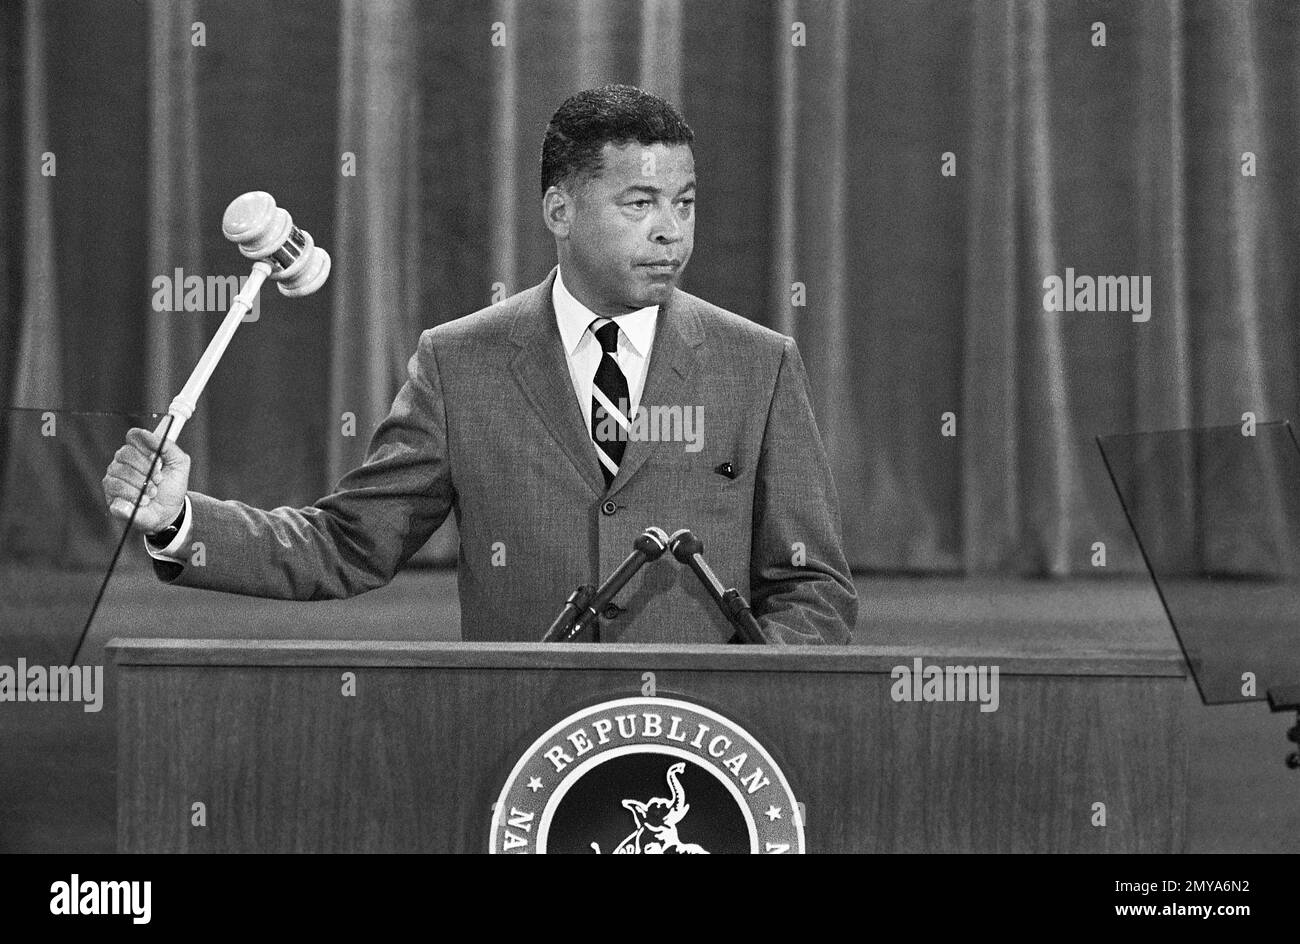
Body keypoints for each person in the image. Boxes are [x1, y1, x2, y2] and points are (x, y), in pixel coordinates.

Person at [102, 84, 856, 644]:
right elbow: (350, 545)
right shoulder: (459, 363)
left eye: (685, 204)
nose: (671, 232)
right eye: (641, 204)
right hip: (520, 744)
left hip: (698, 753)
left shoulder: (759, 365)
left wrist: (745, 697)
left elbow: (812, 588)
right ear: (559, 211)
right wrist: (179, 519)